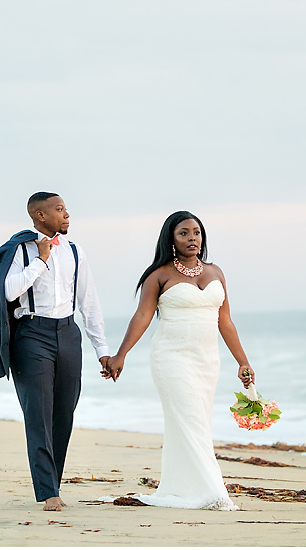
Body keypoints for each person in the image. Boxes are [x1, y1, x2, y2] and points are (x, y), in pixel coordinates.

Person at [103, 211, 255, 511]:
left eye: (196, 232)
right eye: (184, 233)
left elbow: (225, 321)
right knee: (191, 421)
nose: (192, 239)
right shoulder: (159, 275)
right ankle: (213, 491)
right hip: (171, 358)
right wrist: (121, 354)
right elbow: (143, 316)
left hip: (207, 361)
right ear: (171, 238)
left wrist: (243, 362)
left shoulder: (215, 272)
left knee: (193, 423)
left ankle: (181, 487)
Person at [0, 192, 110, 512]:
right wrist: (40, 260)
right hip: (31, 335)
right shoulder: (22, 250)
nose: (67, 214)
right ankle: (48, 492)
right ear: (40, 216)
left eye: (66, 209)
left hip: (68, 333)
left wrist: (102, 350)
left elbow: (89, 303)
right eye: (59, 210)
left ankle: (53, 482)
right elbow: (8, 290)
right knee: (37, 414)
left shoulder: (76, 252)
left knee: (63, 413)